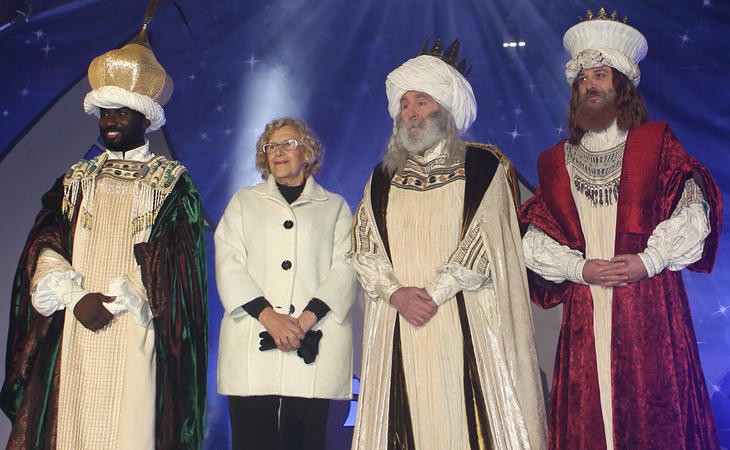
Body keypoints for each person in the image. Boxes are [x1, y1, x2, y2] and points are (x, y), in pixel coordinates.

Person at [0, 12, 208, 449]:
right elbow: (46, 240)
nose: (110, 119)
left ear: (145, 116)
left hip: (134, 325)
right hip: (76, 324)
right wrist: (76, 298)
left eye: (122, 111)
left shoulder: (171, 181)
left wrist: (120, 298)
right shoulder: (78, 178)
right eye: (104, 110)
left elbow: (176, 261)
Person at [519, 8, 722, 450]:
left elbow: (694, 207)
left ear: (622, 84)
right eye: (583, 78)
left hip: (650, 304)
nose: (590, 84)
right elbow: (534, 238)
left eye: (601, 75)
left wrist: (650, 260)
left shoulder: (656, 142)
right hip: (585, 306)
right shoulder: (556, 161)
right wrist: (578, 268)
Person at [348, 39, 547, 450]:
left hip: (465, 315)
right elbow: (363, 247)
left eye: (422, 101)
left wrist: (434, 294)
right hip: (401, 320)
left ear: (446, 106)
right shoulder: (382, 176)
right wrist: (397, 293)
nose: (411, 112)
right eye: (404, 104)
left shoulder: (483, 165)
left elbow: (485, 238)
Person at [215, 118, 357, 450]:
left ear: (308, 153)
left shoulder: (335, 207)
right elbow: (228, 262)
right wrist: (271, 318)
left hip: (312, 341)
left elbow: (346, 266)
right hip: (253, 342)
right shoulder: (243, 202)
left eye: (289, 144)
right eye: (271, 146)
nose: (278, 152)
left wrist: (303, 322)